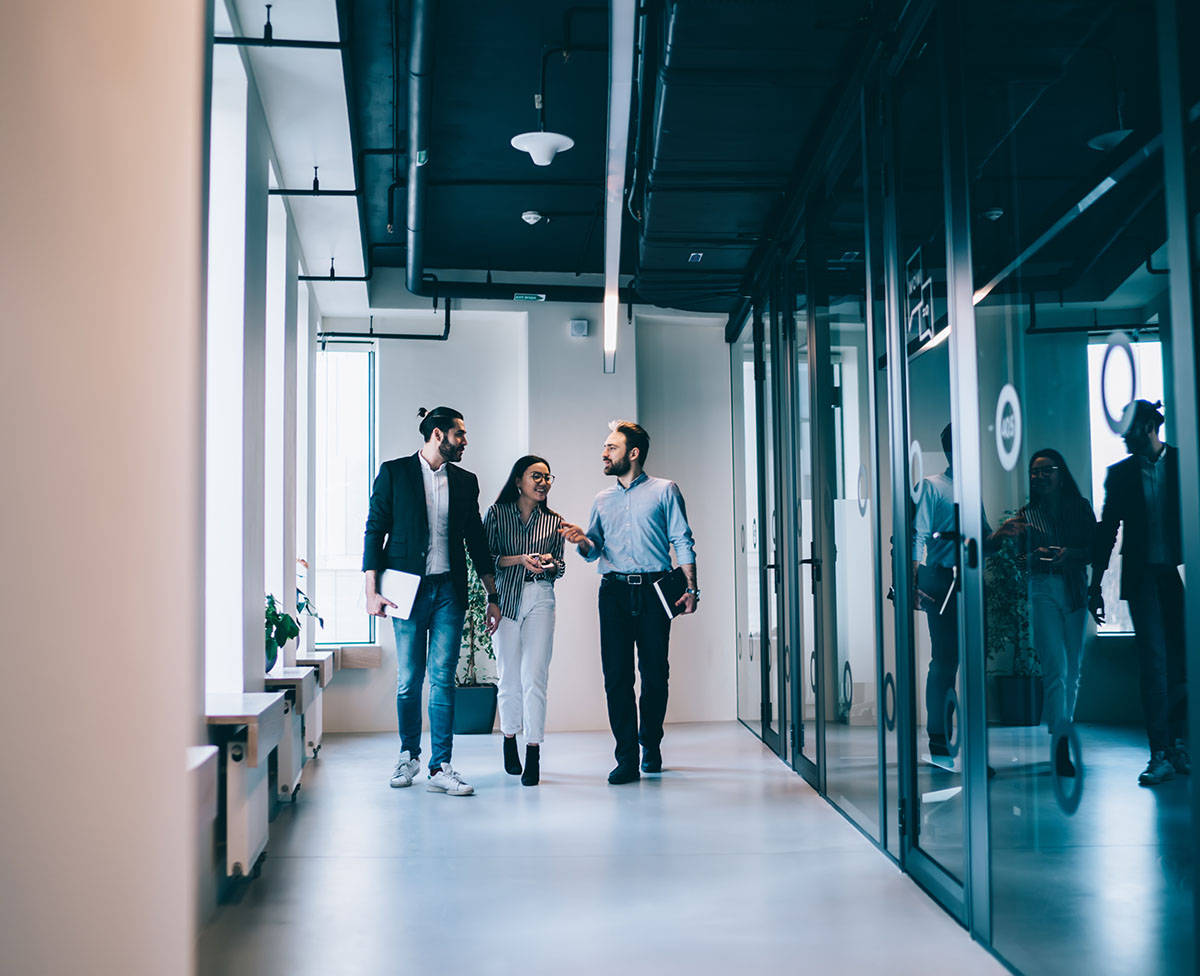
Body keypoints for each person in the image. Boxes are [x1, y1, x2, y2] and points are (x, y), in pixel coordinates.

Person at [362, 406, 501, 797]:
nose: (465, 441)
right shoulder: (395, 473)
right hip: (407, 590)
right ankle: (408, 755)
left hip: (449, 592)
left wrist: (491, 594)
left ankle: (441, 766)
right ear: (438, 434)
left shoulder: (465, 481)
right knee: (410, 679)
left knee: (443, 679)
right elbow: (375, 530)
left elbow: (476, 540)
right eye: (461, 434)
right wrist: (371, 589)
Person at [560, 420, 699, 784]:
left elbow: (682, 540)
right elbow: (595, 550)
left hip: (656, 590)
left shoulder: (665, 490)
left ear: (632, 453)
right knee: (617, 677)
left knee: (655, 675)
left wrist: (691, 588)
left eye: (612, 447)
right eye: (605, 447)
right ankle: (626, 757)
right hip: (614, 592)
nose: (604, 453)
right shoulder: (601, 499)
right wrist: (581, 541)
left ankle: (650, 743)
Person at [1091, 399, 1188, 786]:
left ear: (1150, 426)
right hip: (1143, 576)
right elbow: (1106, 533)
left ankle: (1179, 746)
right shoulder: (1121, 474)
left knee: (1182, 664)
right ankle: (1160, 752)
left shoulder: (1184, 464)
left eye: (1130, 430)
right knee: (1154, 664)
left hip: (1178, 575)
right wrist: (1095, 584)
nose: (1124, 438)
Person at [990, 449, 1095, 776]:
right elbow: (1020, 562)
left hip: (1075, 587)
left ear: (1060, 473)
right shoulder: (1026, 514)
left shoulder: (1079, 508)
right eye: (1035, 473)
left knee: (1073, 669)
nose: (1040, 477)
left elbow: (1094, 549)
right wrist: (1033, 558)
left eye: (1046, 471)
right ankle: (1061, 742)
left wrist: (1071, 553)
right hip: (1043, 586)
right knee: (1055, 666)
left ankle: (1063, 729)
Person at [484, 455, 566, 787]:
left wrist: (549, 563)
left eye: (548, 477)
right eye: (537, 476)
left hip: (541, 598)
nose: (544, 482)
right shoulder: (497, 513)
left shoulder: (555, 521)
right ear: (519, 480)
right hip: (505, 600)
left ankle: (533, 750)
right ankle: (508, 737)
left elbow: (559, 567)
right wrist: (519, 559)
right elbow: (486, 558)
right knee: (509, 677)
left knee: (535, 677)